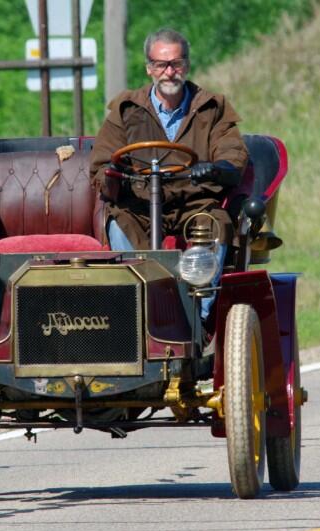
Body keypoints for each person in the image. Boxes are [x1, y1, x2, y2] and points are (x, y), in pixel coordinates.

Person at [89, 28, 248, 320]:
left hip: (195, 203)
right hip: (140, 204)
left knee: (216, 223)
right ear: (149, 68)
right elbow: (100, 165)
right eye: (161, 65)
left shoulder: (211, 108)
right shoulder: (126, 110)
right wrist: (114, 178)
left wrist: (214, 169)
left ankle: (198, 317)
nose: (169, 72)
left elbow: (234, 157)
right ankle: (134, 313)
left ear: (186, 65)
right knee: (117, 223)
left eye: (175, 63)